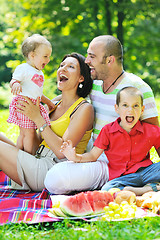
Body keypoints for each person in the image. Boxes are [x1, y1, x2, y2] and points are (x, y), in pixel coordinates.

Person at [44, 35, 159, 195]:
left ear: (110, 60)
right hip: (95, 158)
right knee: (54, 178)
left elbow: (154, 133)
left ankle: (132, 182)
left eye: (92, 56)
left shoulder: (138, 87)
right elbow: (69, 98)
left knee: (56, 178)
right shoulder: (94, 84)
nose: (86, 61)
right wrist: (43, 102)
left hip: (126, 164)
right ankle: (121, 185)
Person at [0, 52, 94, 191]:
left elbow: (62, 152)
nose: (62, 69)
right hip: (37, 158)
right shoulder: (54, 103)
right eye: (62, 65)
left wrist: (37, 118)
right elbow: (37, 142)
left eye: (70, 67)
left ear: (81, 78)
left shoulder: (84, 109)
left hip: (52, 170)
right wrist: (27, 123)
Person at [60, 87, 160, 195]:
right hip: (123, 178)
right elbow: (93, 156)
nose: (130, 110)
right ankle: (151, 188)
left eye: (135, 106)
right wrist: (75, 157)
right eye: (125, 105)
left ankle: (145, 189)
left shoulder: (151, 131)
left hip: (147, 172)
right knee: (107, 190)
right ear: (117, 108)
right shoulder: (108, 131)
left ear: (142, 109)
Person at [7, 34, 54, 155]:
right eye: (45, 56)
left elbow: (37, 92)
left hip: (31, 104)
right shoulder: (24, 68)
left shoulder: (39, 72)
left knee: (23, 133)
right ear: (32, 56)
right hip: (24, 104)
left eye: (49, 56)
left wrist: (48, 102)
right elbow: (14, 80)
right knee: (29, 133)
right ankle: (28, 157)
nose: (48, 60)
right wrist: (15, 84)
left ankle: (17, 155)